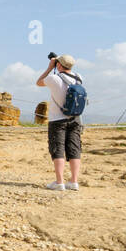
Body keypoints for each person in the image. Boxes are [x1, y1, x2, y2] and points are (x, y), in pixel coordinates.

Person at [35, 54, 83, 192]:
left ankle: (59, 182)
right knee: (75, 149)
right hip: (75, 119)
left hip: (57, 120)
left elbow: (38, 82)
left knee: (58, 150)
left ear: (59, 65)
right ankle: (74, 181)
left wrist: (50, 67)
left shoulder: (53, 78)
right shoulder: (79, 77)